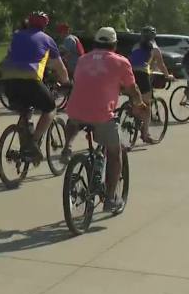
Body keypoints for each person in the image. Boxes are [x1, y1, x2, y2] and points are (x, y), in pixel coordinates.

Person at [60, 27, 147, 212]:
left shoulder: (83, 60)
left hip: (75, 111)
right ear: (114, 45)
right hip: (101, 115)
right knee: (115, 153)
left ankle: (67, 146)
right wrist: (139, 105)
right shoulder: (121, 62)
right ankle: (110, 198)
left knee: (75, 118)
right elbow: (133, 90)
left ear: (95, 43)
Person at [0, 11, 70, 164]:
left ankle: (24, 144)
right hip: (30, 80)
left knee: (25, 110)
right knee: (50, 108)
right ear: (45, 25)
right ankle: (33, 143)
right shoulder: (48, 40)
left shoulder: (17, 35)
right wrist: (66, 82)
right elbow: (60, 68)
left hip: (8, 81)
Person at [129, 26, 174, 143]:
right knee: (147, 106)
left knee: (135, 98)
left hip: (129, 74)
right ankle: (145, 134)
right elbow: (161, 65)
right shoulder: (154, 48)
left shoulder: (135, 46)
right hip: (142, 75)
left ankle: (132, 114)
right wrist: (167, 75)